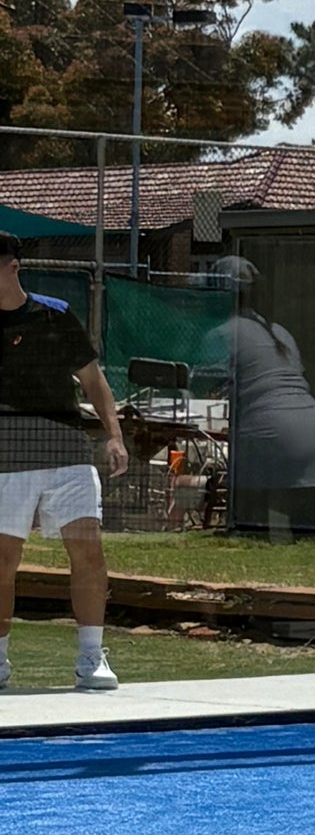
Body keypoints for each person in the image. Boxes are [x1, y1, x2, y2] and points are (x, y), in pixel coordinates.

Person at [0, 234, 130, 692]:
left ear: (13, 267)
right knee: (3, 560)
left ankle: (91, 658)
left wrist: (114, 436)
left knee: (88, 550)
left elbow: (94, 381)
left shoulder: (55, 314)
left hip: (67, 452)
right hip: (6, 456)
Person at [212, 256, 315, 540]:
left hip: (273, 434)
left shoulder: (222, 333)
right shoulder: (280, 332)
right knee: (310, 536)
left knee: (250, 528)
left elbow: (198, 382)